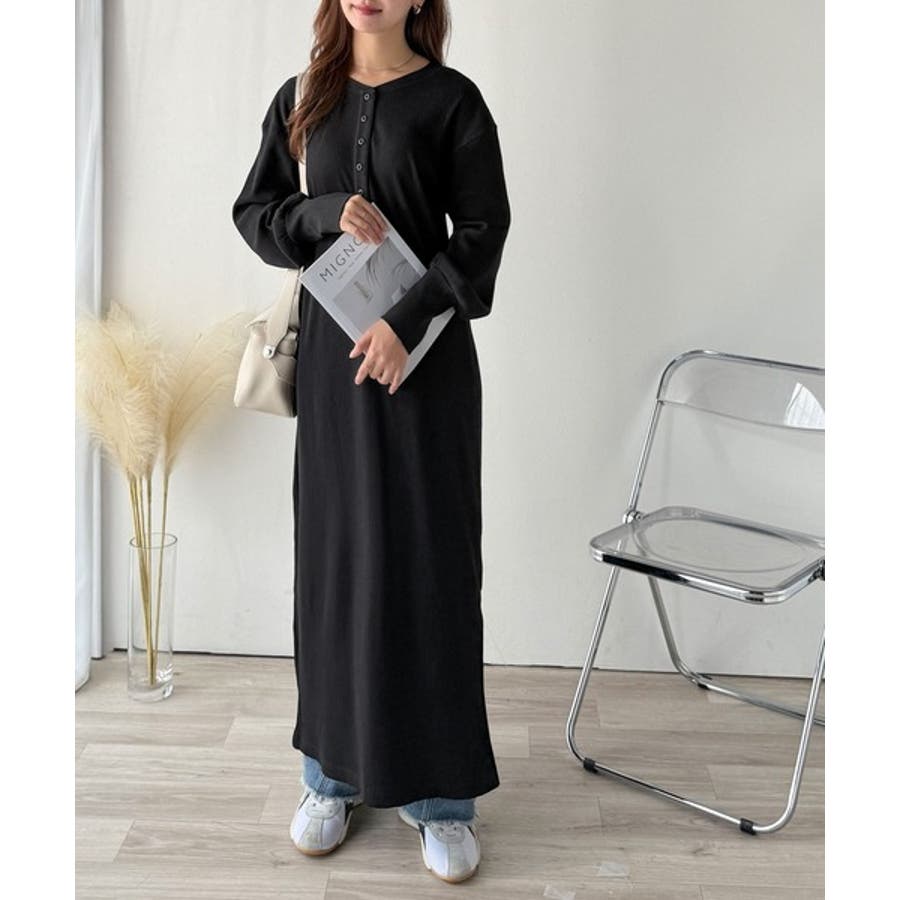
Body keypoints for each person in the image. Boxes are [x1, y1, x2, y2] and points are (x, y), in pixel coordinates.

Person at [232, 0, 511, 884]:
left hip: (424, 368)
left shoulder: (453, 102)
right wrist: (320, 214)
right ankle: (332, 775)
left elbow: (482, 234)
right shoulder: (300, 99)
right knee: (338, 560)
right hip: (333, 367)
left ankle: (440, 798)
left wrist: (405, 323)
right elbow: (256, 212)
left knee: (428, 564)